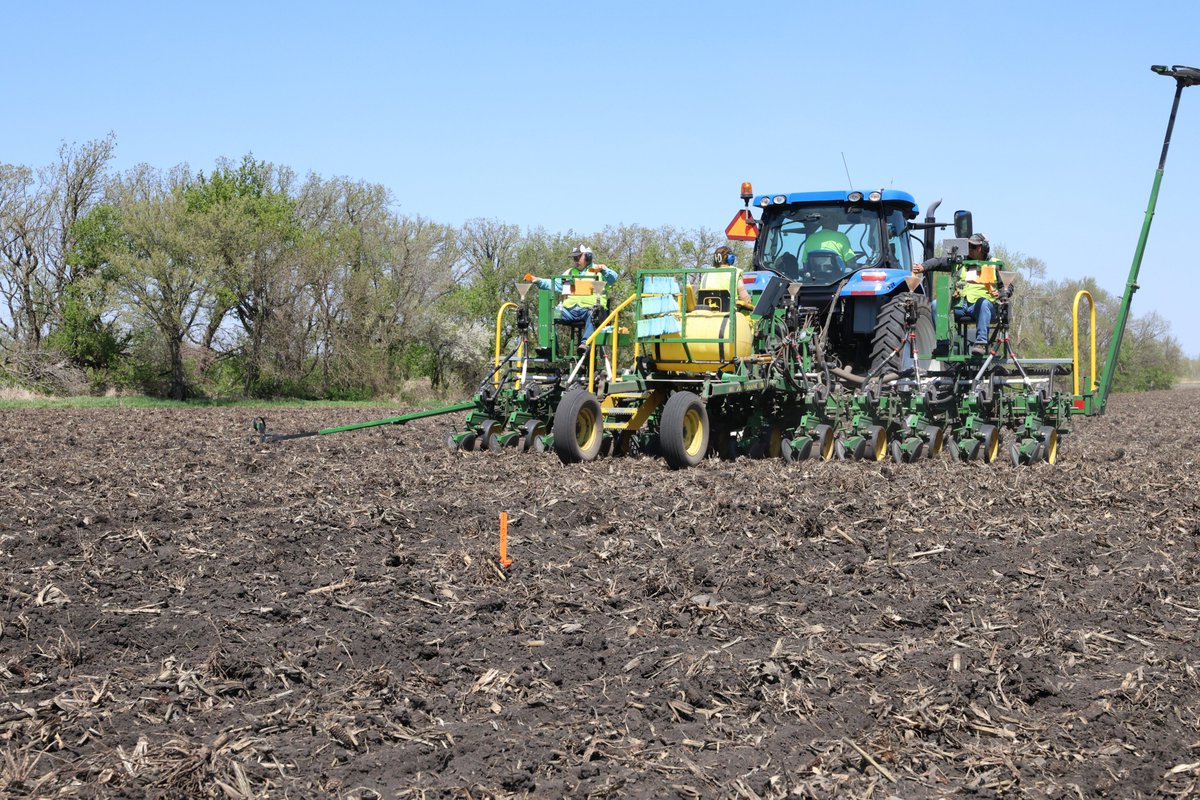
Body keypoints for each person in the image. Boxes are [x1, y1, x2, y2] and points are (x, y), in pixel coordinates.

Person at [915, 233, 997, 356]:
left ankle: (980, 343)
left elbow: (1008, 286)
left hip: (982, 308)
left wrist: (1001, 293)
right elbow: (938, 261)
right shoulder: (960, 262)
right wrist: (923, 266)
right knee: (937, 304)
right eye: (968, 246)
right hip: (961, 305)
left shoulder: (994, 264)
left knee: (983, 302)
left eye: (973, 247)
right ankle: (943, 343)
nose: (970, 249)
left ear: (983, 248)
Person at [526, 245, 618, 350]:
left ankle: (585, 344)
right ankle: (550, 348)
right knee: (549, 314)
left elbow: (613, 278)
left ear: (588, 256)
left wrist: (604, 270)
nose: (575, 260)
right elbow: (555, 284)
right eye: (574, 258)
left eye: (578, 257)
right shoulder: (570, 272)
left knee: (593, 314)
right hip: (570, 310)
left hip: (590, 310)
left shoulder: (599, 270)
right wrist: (538, 280)